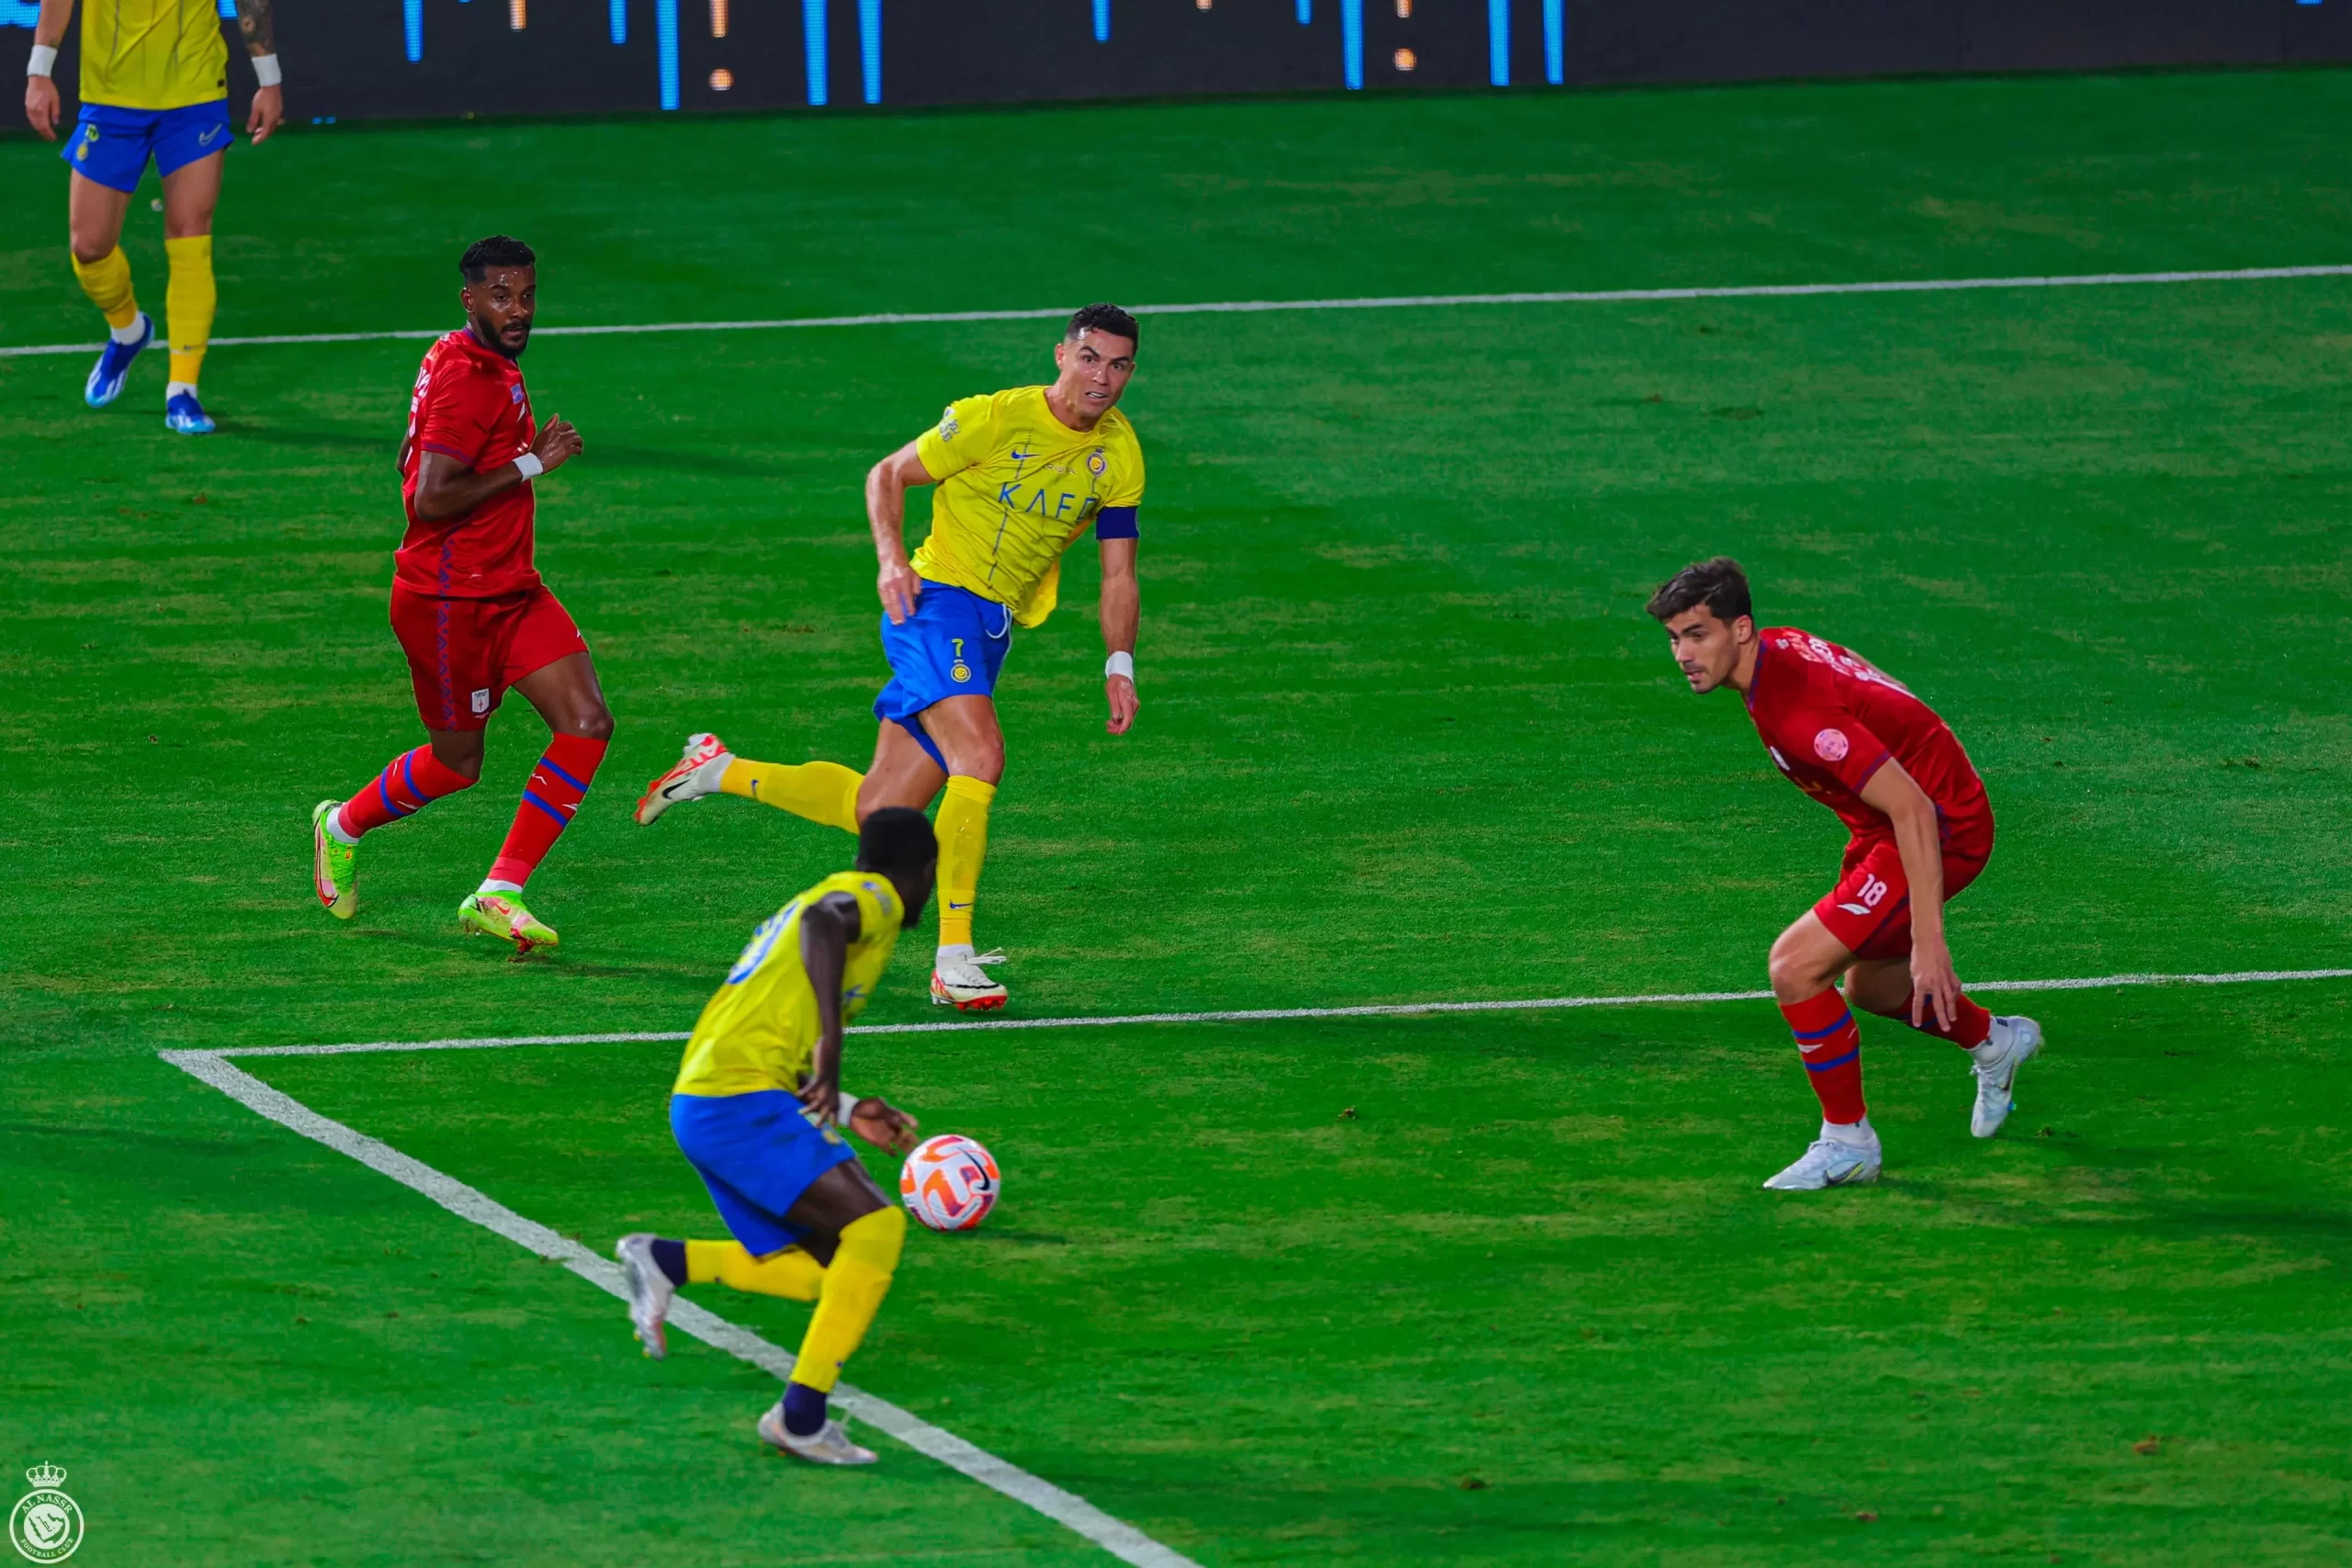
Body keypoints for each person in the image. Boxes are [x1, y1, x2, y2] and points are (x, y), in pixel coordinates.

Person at [633, 303, 1148, 1012]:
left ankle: (717, 769)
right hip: (934, 604)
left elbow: (1119, 571)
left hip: (990, 629)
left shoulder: (1119, 454)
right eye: (1090, 358)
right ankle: (954, 957)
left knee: (881, 808)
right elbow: (887, 475)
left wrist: (1118, 662)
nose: (1103, 378)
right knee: (982, 756)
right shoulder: (993, 418)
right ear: (1060, 353)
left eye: (1119, 365)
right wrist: (890, 563)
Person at [1646, 557, 2041, 1190]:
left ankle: (1849, 1142)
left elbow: (1912, 805)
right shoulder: (1777, 648)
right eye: (1674, 638)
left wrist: (1928, 941)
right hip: (1888, 823)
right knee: (1868, 987)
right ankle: (1995, 1043)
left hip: (1937, 826)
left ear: (1740, 628)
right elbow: (1866, 674)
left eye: (1698, 634)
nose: (1684, 654)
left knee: (1795, 967)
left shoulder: (1797, 713)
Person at [309, 235, 609, 954]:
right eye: (501, 296)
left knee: (587, 721)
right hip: (447, 603)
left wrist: (516, 452)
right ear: (468, 298)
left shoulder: (473, 358)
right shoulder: (468, 377)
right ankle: (341, 826)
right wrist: (535, 459)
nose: (519, 310)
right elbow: (430, 500)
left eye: (528, 295)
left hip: (510, 589)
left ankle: (499, 890)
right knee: (456, 764)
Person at [615, 807, 937, 1467]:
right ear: (920, 871)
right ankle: (800, 1417)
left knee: (835, 1269)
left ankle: (668, 1261)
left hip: (711, 1096)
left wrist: (847, 1107)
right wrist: (833, 1046)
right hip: (735, 1097)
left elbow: (771, 1033)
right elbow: (825, 926)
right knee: (877, 1230)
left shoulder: (813, 904)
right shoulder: (868, 897)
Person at [23, 0, 285, 434]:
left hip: (194, 92)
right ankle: (127, 331)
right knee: (88, 247)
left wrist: (269, 78)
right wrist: (39, 71)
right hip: (110, 96)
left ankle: (183, 390)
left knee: (190, 233)